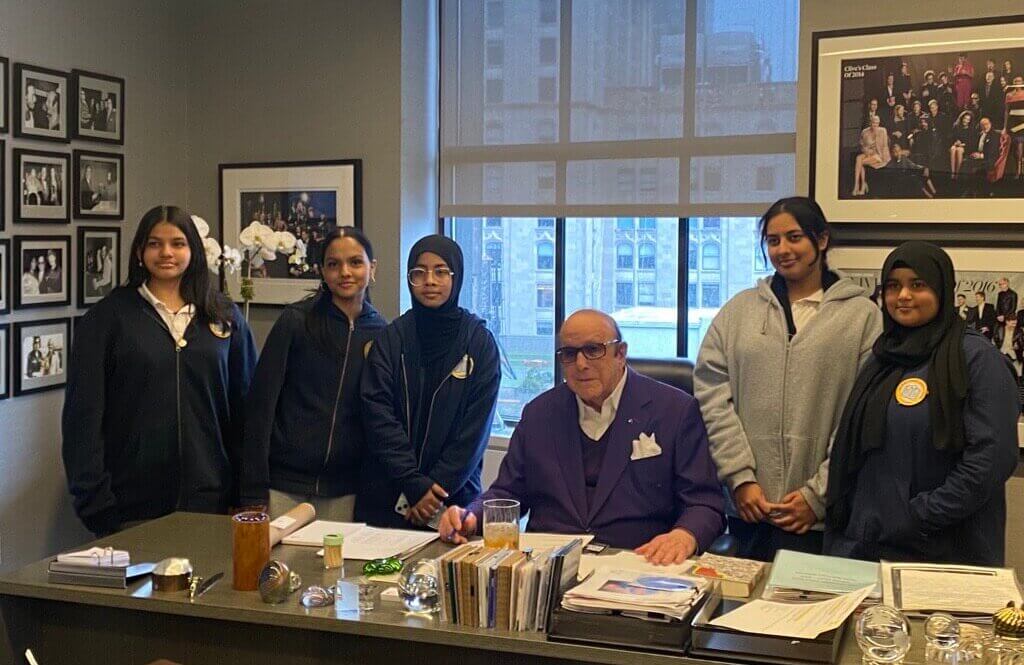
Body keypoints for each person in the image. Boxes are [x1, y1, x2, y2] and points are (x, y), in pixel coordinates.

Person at [439, 309, 725, 563]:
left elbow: (705, 503)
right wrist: (471, 516)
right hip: (550, 566)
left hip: (638, 564)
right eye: (569, 354)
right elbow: (508, 493)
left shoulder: (674, 410)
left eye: (593, 350)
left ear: (620, 353)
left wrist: (684, 535)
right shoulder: (539, 414)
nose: (581, 364)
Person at [694, 197, 882, 561]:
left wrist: (817, 495)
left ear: (821, 240)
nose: (782, 249)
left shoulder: (862, 316)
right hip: (749, 510)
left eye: (794, 237)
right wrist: (739, 477)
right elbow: (712, 395)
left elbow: (861, 416)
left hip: (821, 520)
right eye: (773, 240)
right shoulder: (739, 311)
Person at [62, 205, 257, 536]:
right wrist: (96, 505)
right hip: (130, 509)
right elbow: (83, 419)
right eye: (155, 243)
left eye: (177, 243)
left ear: (193, 251)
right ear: (140, 251)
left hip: (212, 506)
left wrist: (246, 493)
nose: (166, 252)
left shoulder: (224, 316)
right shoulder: (107, 319)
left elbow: (246, 410)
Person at [825, 242, 1018, 566]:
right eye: (893, 286)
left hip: (945, 551)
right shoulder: (881, 358)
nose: (903, 295)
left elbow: (991, 458)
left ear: (942, 289)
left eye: (917, 284)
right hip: (868, 547)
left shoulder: (977, 359)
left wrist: (918, 516)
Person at [240, 227, 387, 520]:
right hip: (284, 485)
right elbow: (260, 407)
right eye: (333, 264)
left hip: (344, 491)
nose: (345, 272)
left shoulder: (382, 333)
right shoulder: (296, 321)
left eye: (355, 262)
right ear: (322, 270)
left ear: (372, 268)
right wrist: (252, 490)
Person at [358, 235, 500, 529]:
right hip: (388, 494)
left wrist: (434, 492)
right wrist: (412, 483)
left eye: (441, 271)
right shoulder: (391, 338)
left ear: (456, 277)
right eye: (419, 272)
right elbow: (378, 415)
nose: (430, 281)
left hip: (454, 501)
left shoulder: (478, 342)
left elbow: (475, 430)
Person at [852, 114, 891, 196]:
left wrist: (884, 159)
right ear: (870, 123)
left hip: (878, 155)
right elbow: (861, 144)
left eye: (877, 123)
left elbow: (885, 146)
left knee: (860, 162)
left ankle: (861, 185)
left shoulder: (883, 131)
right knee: (858, 158)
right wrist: (865, 150)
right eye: (874, 123)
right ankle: (857, 185)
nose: (875, 125)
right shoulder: (865, 131)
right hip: (868, 153)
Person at [949, 111, 974, 180]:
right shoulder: (956, 125)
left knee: (959, 150)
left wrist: (963, 144)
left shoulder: (971, 129)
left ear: (970, 121)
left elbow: (971, 142)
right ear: (962, 118)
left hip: (966, 147)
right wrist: (955, 142)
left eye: (968, 119)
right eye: (965, 118)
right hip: (956, 145)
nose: (966, 121)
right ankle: (952, 173)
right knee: (953, 149)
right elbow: (951, 137)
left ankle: (957, 174)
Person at [994, 278, 1018, 348]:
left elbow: (1013, 308)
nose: (1000, 286)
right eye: (1000, 284)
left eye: (1002, 284)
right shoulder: (1000, 294)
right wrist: (998, 315)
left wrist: (1004, 316)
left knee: (1007, 337)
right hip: (999, 319)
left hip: (1009, 319)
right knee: (997, 335)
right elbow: (997, 306)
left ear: (1007, 284)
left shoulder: (1013, 294)